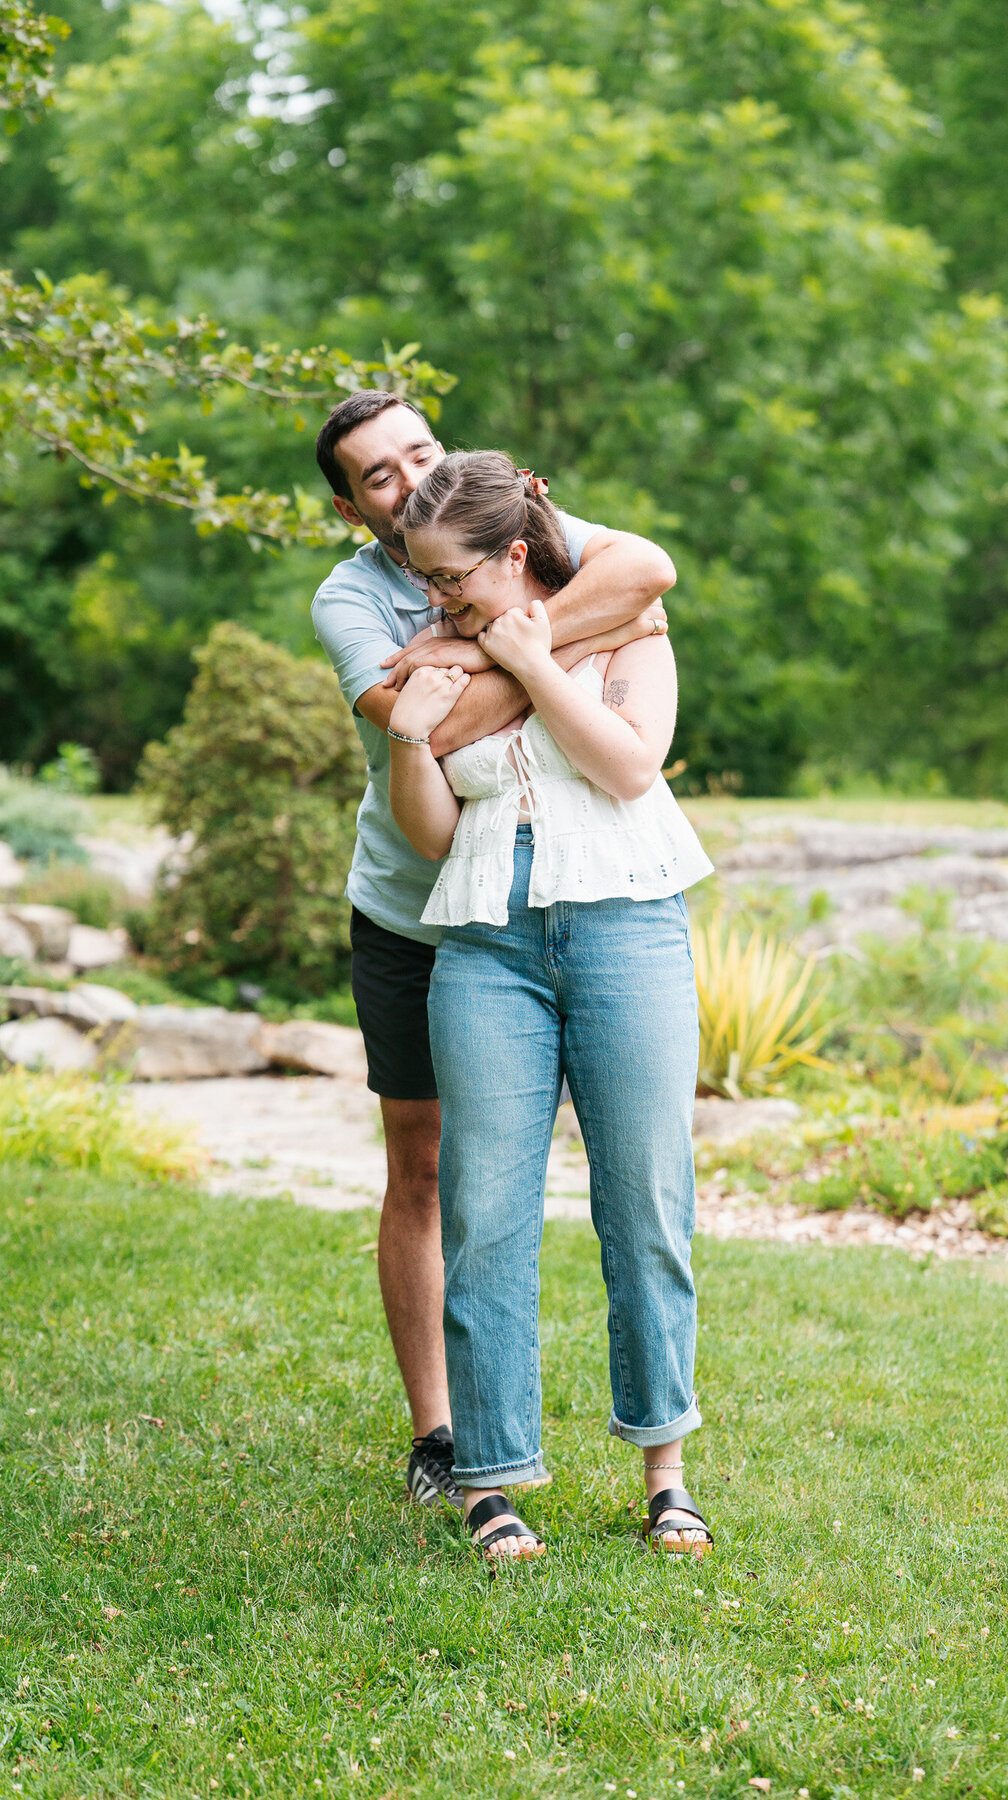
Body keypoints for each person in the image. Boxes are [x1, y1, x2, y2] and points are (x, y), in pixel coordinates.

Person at [311, 391, 675, 1512]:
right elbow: (425, 733)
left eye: (418, 450)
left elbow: (648, 571)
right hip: (418, 909)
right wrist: (549, 641)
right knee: (431, 1174)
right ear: (350, 505)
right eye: (377, 474)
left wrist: (483, 649)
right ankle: (444, 1434)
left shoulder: (505, 525)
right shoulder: (349, 597)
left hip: (571, 900)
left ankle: (655, 1457)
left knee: (629, 1189)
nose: (407, 477)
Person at [385, 450, 715, 1562]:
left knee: (646, 1203)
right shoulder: (439, 654)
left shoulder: (629, 630)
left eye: (451, 576)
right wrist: (410, 734)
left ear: (515, 552)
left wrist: (533, 656)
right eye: (425, 579)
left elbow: (629, 769)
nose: (437, 598)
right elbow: (432, 832)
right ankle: (491, 1481)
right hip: (487, 935)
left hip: (628, 921)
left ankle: (665, 1472)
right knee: (484, 1212)